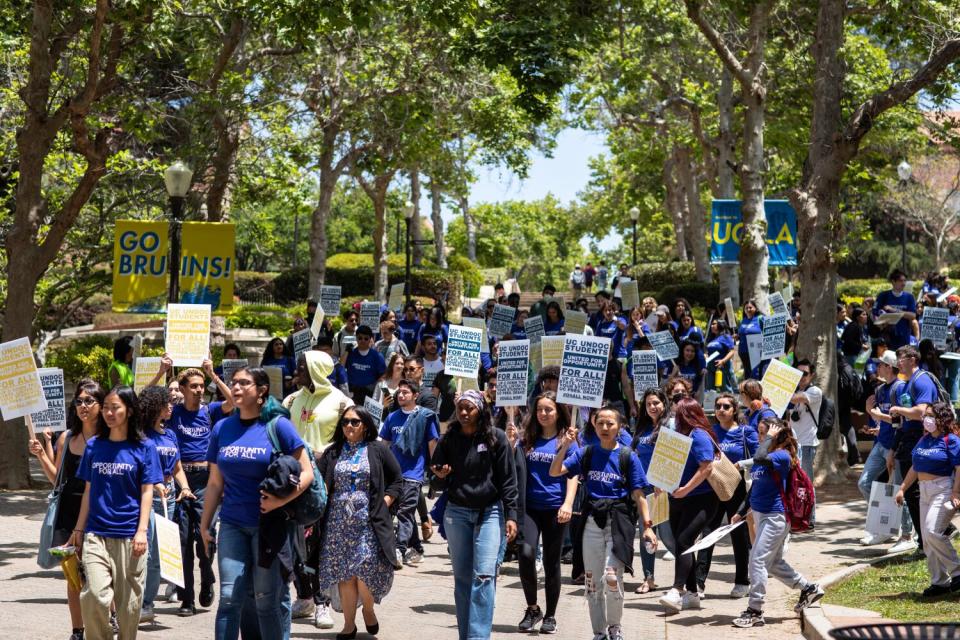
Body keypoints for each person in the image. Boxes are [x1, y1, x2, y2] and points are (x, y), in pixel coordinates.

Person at [199, 366, 314, 640]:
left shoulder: (278, 426)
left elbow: (306, 472)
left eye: (244, 383)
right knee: (228, 598)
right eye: (233, 383)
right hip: (232, 524)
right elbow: (215, 483)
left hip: (269, 527)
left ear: (261, 391)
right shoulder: (222, 428)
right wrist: (205, 526)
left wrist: (279, 501)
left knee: (265, 600)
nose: (236, 388)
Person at [550, 403, 657, 640]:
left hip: (618, 521)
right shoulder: (585, 452)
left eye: (610, 423)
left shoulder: (628, 456)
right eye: (600, 423)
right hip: (591, 522)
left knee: (611, 577)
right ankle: (598, 632)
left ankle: (615, 628)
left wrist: (648, 527)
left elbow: (639, 494)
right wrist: (566, 445)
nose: (605, 427)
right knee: (591, 582)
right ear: (593, 425)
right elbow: (555, 471)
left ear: (619, 427)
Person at [66, 386, 163, 640]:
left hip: (131, 537)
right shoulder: (94, 446)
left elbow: (146, 492)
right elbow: (89, 491)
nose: (109, 412)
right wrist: (78, 529)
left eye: (115, 407)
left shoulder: (145, 447)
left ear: (129, 411)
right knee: (94, 597)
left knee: (129, 608)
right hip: (96, 534)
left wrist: (142, 531)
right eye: (106, 407)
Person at [430, 391, 519, 640]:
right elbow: (435, 479)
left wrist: (511, 515)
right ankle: (465, 635)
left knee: (483, 576)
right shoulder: (448, 439)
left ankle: (478, 637)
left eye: (470, 408)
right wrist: (440, 475)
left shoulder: (496, 438)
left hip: (489, 513)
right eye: (460, 408)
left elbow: (508, 481)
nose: (464, 413)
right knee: (462, 578)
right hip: (456, 513)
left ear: (480, 410)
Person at [27, 379, 105, 640]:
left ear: (101, 405)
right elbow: (56, 479)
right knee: (73, 578)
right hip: (67, 514)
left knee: (98, 576)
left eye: (89, 401)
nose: (83, 406)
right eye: (79, 401)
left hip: (99, 513)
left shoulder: (109, 438)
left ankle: (109, 618)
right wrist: (41, 455)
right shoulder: (67, 437)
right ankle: (77, 631)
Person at [316, 406, 401, 639]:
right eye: (345, 422)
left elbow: (397, 480)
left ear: (365, 424)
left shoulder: (378, 449)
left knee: (365, 570)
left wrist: (385, 501)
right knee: (345, 574)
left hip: (368, 522)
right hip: (337, 524)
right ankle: (349, 625)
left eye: (354, 422)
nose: (349, 426)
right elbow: (321, 483)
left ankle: (369, 610)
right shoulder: (333, 452)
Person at [730, 418, 824, 628]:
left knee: (757, 560)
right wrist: (740, 512)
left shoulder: (781, 456)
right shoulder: (769, 456)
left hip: (775, 517)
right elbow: (755, 487)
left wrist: (770, 438)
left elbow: (759, 456)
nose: (759, 438)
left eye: (762, 434)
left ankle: (755, 610)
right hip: (763, 515)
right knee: (772, 563)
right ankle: (808, 588)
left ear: (774, 435)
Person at [284, 350, 353, 629]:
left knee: (318, 542)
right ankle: (304, 596)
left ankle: (323, 602)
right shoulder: (291, 400)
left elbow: (351, 441)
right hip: (293, 479)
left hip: (325, 480)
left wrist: (321, 453)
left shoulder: (341, 403)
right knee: (294, 540)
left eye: (301, 367)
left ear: (315, 370)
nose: (296, 372)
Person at [168, 363, 234, 616]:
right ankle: (187, 598)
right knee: (182, 539)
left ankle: (207, 576)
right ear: (182, 389)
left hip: (207, 480)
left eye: (201, 386)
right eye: (193, 386)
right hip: (181, 479)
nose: (198, 390)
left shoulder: (211, 411)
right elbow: (144, 403)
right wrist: (164, 372)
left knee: (204, 535)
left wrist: (212, 375)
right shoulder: (174, 412)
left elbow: (233, 401)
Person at [516, 392, 578, 634]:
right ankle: (533, 609)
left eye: (549, 410)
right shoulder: (527, 439)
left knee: (552, 563)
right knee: (526, 553)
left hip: (555, 508)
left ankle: (551, 615)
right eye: (540, 409)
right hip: (530, 507)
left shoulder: (568, 439)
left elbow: (573, 474)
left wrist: (568, 504)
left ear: (558, 412)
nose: (543, 414)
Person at [139, 384, 196, 623]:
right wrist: (153, 483)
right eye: (166, 403)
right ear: (155, 407)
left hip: (170, 495)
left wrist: (185, 487)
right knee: (149, 552)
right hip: (148, 495)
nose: (171, 406)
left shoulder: (170, 434)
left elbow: (177, 467)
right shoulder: (141, 435)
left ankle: (147, 602)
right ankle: (142, 603)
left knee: (162, 552)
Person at [659, 398, 719, 613]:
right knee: (681, 544)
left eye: (677, 414)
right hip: (678, 498)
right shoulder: (679, 436)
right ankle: (692, 594)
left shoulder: (699, 435)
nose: (674, 418)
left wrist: (685, 489)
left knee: (685, 540)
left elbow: (706, 468)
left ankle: (677, 590)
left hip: (701, 500)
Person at [895, 402, 960, 596]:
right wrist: (902, 488)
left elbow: (959, 468)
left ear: (942, 418)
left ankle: (957, 571)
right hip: (923, 491)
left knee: (932, 531)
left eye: (930, 415)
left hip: (943, 489)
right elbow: (915, 467)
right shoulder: (924, 440)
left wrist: (956, 492)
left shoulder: (951, 440)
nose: (926, 419)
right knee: (926, 539)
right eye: (925, 416)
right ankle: (939, 582)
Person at [695, 393, 757, 599]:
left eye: (726, 406)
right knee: (708, 532)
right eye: (718, 406)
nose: (721, 409)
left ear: (734, 410)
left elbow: (759, 456)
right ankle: (699, 583)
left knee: (738, 534)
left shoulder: (745, 432)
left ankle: (742, 582)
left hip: (737, 487)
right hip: (713, 487)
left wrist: (742, 465)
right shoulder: (709, 433)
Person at [378, 379, 439, 567]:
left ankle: (399, 548)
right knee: (403, 512)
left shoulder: (425, 417)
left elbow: (432, 443)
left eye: (405, 392)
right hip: (394, 475)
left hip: (414, 473)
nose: (401, 395)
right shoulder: (392, 417)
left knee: (405, 512)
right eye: (399, 392)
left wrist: (435, 469)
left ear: (415, 395)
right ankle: (416, 549)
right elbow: (384, 444)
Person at [859, 352, 914, 550]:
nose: (876, 369)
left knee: (900, 489)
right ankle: (883, 526)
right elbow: (884, 419)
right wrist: (876, 423)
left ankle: (907, 535)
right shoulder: (880, 389)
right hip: (880, 443)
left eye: (880, 365)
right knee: (865, 483)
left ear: (889, 367)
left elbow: (900, 419)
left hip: (896, 445)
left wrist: (874, 413)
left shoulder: (900, 388)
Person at [888, 345, 939, 554]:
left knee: (916, 493)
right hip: (909, 440)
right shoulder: (909, 383)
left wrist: (898, 409)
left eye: (902, 358)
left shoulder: (922, 380)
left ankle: (926, 542)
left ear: (913, 359)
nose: (898, 362)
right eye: (898, 358)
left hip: (922, 439)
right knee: (913, 493)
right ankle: (926, 540)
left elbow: (921, 412)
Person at [631, 388, 674, 594]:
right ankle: (649, 578)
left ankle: (689, 574)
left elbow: (674, 456)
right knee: (646, 535)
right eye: (648, 404)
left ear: (664, 403)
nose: (652, 407)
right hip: (645, 490)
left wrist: (663, 480)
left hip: (663, 490)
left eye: (656, 402)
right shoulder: (642, 428)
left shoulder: (671, 425)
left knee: (667, 536)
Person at [787, 359, 823, 526]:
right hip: (793, 444)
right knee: (794, 482)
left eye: (805, 374)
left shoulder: (815, 391)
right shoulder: (792, 392)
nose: (801, 377)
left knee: (806, 482)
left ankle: (810, 519)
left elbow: (798, 398)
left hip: (807, 444)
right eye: (798, 373)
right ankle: (797, 516)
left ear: (812, 375)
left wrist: (778, 388)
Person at [874, 269, 917, 349]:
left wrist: (894, 310)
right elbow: (874, 313)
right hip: (887, 337)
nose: (903, 283)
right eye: (901, 281)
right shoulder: (883, 296)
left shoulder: (909, 297)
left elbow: (913, 315)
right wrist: (880, 323)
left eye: (905, 281)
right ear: (893, 282)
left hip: (903, 336)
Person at [345, 325, 387, 404]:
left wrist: (374, 385)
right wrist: (346, 351)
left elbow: (384, 374)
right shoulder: (351, 353)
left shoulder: (377, 356)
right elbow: (341, 367)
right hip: (352, 393)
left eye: (366, 338)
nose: (363, 340)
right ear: (356, 338)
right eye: (360, 338)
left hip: (369, 394)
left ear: (371, 339)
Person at [706, 319, 737, 392]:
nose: (712, 326)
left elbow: (732, 351)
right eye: (711, 324)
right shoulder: (712, 339)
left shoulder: (726, 337)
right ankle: (711, 403)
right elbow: (707, 352)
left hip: (722, 368)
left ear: (720, 325)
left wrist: (723, 361)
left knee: (725, 389)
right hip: (710, 368)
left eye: (714, 324)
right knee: (710, 390)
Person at [737, 300, 763, 378]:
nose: (748, 309)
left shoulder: (760, 319)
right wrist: (737, 336)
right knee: (747, 372)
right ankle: (747, 389)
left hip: (756, 350)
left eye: (750, 307)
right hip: (743, 350)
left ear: (755, 308)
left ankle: (755, 389)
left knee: (755, 372)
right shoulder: (743, 320)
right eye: (746, 308)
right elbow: (742, 334)